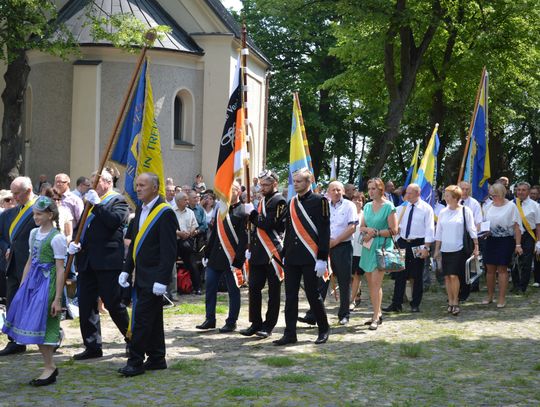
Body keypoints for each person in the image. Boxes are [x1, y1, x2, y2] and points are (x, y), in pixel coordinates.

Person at [117, 172, 178, 376]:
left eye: (142, 185)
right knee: (153, 318)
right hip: (140, 275)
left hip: (154, 278)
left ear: (155, 187)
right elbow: (135, 244)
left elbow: (169, 251)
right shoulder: (139, 211)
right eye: (137, 185)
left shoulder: (165, 212)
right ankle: (157, 357)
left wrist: (162, 280)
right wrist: (127, 270)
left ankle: (135, 361)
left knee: (141, 319)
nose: (138, 188)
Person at [2, 196, 66, 386]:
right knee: (34, 324)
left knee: (43, 324)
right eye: (34, 214)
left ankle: (50, 366)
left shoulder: (57, 238)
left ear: (50, 215)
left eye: (39, 214)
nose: (35, 217)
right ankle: (49, 365)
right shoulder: (33, 234)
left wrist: (57, 299)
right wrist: (23, 286)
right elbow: (30, 262)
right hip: (33, 283)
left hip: (48, 283)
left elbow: (60, 269)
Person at [68, 170, 130, 360]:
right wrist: (76, 243)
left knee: (113, 304)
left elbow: (113, 222)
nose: (90, 185)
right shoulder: (90, 202)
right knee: (86, 305)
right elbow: (84, 228)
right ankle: (92, 345)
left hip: (107, 261)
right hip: (86, 260)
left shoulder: (118, 201)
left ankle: (132, 339)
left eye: (95, 181)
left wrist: (97, 205)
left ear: (107, 182)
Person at [273, 168, 330, 345]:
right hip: (292, 257)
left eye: (298, 181)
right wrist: (283, 253)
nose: (295, 184)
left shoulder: (320, 201)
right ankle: (290, 333)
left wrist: (322, 258)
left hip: (311, 257)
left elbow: (324, 231)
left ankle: (323, 329)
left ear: (308, 182)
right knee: (290, 296)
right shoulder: (291, 203)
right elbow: (288, 231)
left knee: (313, 295)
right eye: (294, 181)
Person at [196, 182, 248, 332]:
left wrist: (238, 260)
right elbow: (214, 234)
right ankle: (209, 318)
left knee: (233, 291)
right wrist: (207, 253)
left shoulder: (243, 211)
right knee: (210, 288)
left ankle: (231, 321)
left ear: (238, 192)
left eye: (232, 190)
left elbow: (244, 239)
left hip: (232, 258)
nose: (228, 193)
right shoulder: (221, 209)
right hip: (216, 257)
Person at [241, 170, 286, 338]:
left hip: (272, 252)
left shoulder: (280, 201)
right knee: (253, 288)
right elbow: (255, 228)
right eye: (261, 185)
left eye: (266, 185)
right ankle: (255, 322)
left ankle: (269, 325)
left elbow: (268, 224)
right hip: (258, 252)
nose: (262, 188)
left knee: (273, 291)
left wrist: (252, 214)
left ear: (275, 184)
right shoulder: (261, 201)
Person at [0, 177, 37, 356]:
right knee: (12, 300)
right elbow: (2, 236)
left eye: (17, 193)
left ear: (28, 190)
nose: (13, 197)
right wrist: (7, 247)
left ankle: (50, 336)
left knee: (37, 302)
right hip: (13, 265)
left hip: (35, 265)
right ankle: (15, 340)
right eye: (12, 193)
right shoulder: (9, 214)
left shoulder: (41, 208)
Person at [383, 184, 434, 313]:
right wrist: (396, 238)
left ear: (417, 193)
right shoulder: (402, 207)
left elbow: (429, 229)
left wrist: (426, 247)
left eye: (410, 193)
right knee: (399, 274)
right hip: (402, 242)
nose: (407, 195)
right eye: (406, 192)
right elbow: (396, 225)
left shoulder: (426, 209)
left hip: (418, 243)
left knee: (417, 276)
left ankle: (415, 304)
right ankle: (396, 304)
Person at [433, 186, 479, 316]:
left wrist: (476, 246)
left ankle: (456, 301)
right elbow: (439, 231)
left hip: (459, 249)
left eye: (447, 195)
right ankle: (450, 300)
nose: (445, 198)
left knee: (454, 275)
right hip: (445, 248)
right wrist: (437, 250)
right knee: (447, 276)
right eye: (445, 195)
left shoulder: (465, 210)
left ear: (455, 197)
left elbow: (472, 229)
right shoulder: (443, 212)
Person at [359, 178, 398, 330]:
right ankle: (378, 312)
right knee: (372, 284)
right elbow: (362, 226)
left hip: (381, 247)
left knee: (376, 283)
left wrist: (375, 233)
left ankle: (375, 317)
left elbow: (393, 230)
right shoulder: (367, 206)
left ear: (381, 189)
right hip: (367, 246)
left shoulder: (389, 206)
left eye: (374, 188)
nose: (371, 191)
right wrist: (368, 231)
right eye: (369, 188)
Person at [482, 183, 522, 308]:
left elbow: (517, 227)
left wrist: (518, 245)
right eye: (491, 195)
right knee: (489, 269)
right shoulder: (488, 206)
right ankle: (489, 295)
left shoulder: (511, 206)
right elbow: (483, 223)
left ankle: (501, 298)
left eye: (495, 195)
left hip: (505, 240)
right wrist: (484, 231)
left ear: (502, 194)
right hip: (490, 240)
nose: (493, 197)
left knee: (502, 269)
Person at [327, 181, 358, 325]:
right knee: (321, 280)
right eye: (333, 190)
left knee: (344, 282)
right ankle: (314, 314)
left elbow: (352, 227)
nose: (336, 192)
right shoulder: (324, 205)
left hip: (343, 247)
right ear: (328, 192)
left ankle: (344, 314)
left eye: (339, 190)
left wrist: (336, 241)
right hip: (326, 247)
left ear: (343, 192)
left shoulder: (349, 205)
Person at [511, 182, 540, 293]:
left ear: (528, 192)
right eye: (518, 190)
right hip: (514, 234)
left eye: (523, 190)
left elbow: (538, 225)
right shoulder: (512, 203)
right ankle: (515, 284)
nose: (520, 192)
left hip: (529, 234)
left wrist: (538, 241)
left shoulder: (535, 206)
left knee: (526, 262)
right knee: (513, 260)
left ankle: (522, 286)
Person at [173, 191, 200, 296]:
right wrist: (178, 233)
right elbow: (169, 227)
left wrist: (190, 232)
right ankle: (172, 290)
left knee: (192, 264)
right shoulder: (171, 212)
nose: (187, 201)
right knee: (170, 265)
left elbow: (194, 225)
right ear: (178, 201)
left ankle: (197, 287)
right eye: (185, 200)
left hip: (187, 241)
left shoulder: (190, 212)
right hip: (174, 241)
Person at [350, 191, 365, 310]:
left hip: (360, 250)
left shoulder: (365, 215)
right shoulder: (348, 214)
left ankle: (352, 300)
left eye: (360, 200)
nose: (357, 202)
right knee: (349, 276)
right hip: (348, 248)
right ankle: (357, 294)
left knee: (356, 275)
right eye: (355, 199)